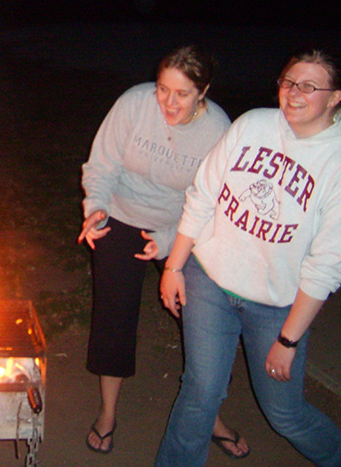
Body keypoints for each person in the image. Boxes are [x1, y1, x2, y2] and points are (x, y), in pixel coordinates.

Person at [155, 47, 341, 466]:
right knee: (200, 393)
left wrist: (288, 340)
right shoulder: (253, 125)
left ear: (335, 98)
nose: (294, 93)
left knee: (284, 413)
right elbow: (203, 196)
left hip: (275, 308)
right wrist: (174, 265)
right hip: (209, 282)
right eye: (289, 82)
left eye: (309, 87)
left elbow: (326, 267)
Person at [78, 45, 248, 458]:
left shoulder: (218, 131)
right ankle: (107, 412)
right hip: (120, 216)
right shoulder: (134, 104)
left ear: (203, 91)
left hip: (187, 229)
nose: (168, 103)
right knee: (113, 317)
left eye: (182, 94)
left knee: (203, 321)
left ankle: (210, 415)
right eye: (162, 89)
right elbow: (101, 165)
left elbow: (216, 202)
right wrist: (96, 207)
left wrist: (172, 238)